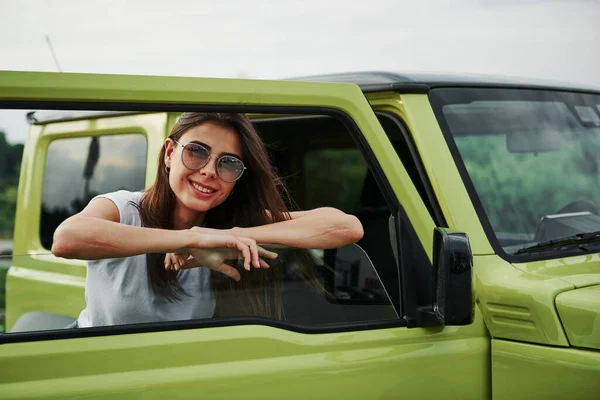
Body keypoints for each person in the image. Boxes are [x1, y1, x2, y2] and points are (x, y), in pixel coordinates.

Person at [52, 112, 363, 327]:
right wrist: (192, 238)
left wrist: (234, 236)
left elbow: (345, 227)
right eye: (197, 152)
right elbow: (66, 240)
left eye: (228, 163)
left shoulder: (227, 226)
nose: (210, 171)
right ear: (169, 153)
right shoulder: (123, 208)